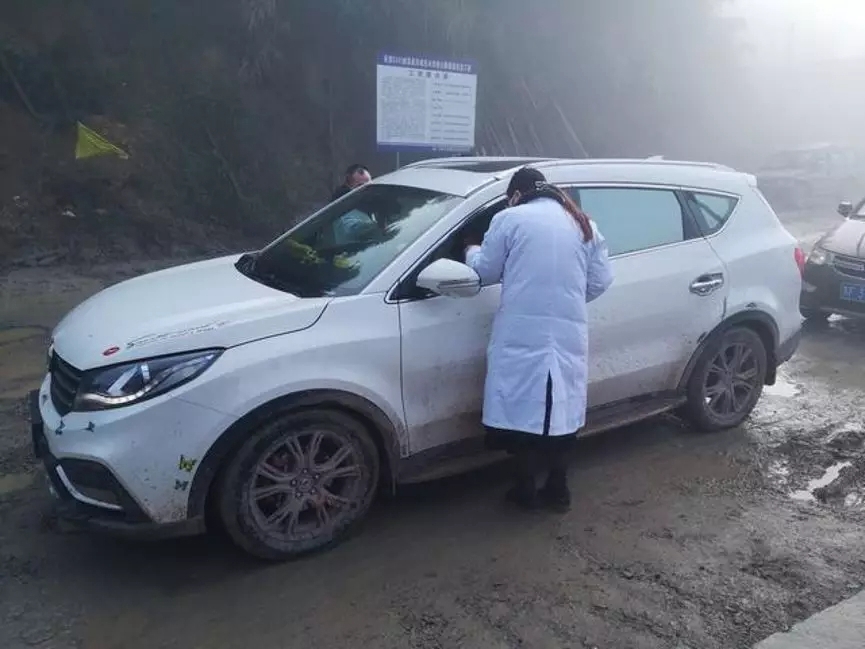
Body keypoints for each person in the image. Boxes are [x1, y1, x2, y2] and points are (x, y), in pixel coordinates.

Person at [464, 167, 613, 512]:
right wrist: (567, 298)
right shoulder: (584, 224)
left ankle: (525, 488)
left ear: (516, 195)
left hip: (521, 331)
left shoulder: (510, 218)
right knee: (560, 410)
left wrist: (470, 249)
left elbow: (485, 270)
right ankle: (558, 489)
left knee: (521, 410)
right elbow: (601, 280)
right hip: (567, 331)